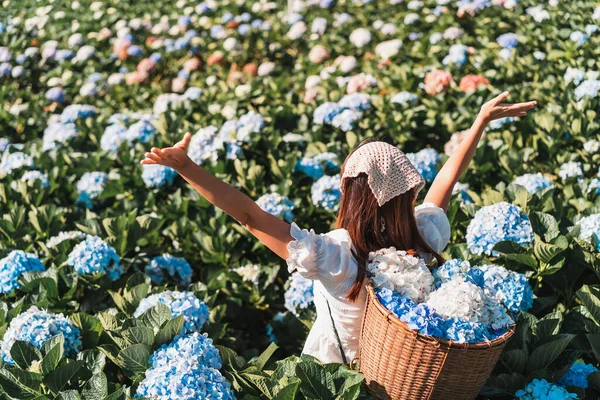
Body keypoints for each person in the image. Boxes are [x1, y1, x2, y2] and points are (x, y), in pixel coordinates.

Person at [140, 91, 536, 363]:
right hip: (405, 378)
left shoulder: (336, 257)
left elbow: (250, 216)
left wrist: (186, 168)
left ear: (351, 195)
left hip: (338, 379)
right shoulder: (423, 237)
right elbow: (445, 183)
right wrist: (480, 121)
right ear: (405, 195)